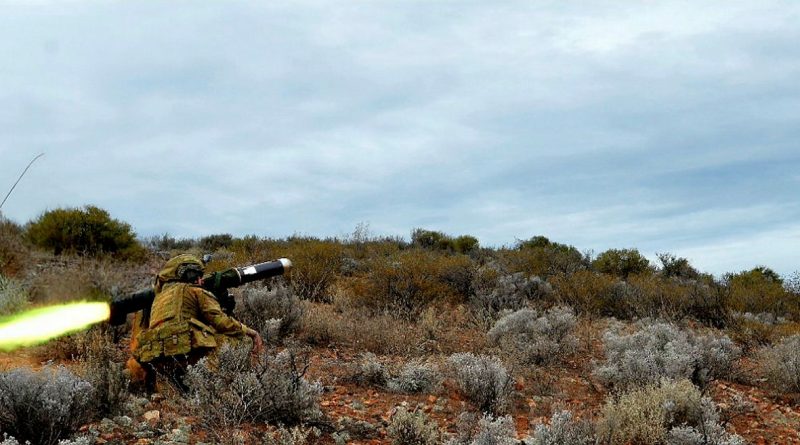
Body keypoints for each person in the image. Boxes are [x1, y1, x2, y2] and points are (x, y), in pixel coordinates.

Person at [132, 254, 263, 392]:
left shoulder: (157, 300)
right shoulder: (195, 291)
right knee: (242, 339)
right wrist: (251, 332)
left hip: (159, 360)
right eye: (198, 276)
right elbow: (221, 322)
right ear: (190, 276)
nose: (201, 280)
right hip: (187, 354)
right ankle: (222, 385)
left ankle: (167, 386)